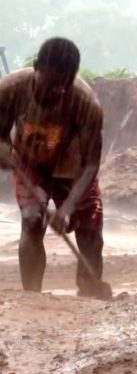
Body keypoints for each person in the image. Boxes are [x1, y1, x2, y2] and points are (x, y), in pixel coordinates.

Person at [0, 37, 111, 299]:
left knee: (90, 231)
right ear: (36, 67)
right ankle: (32, 297)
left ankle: (90, 294)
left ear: (70, 81)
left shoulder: (87, 106)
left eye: (60, 88)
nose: (52, 94)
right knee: (31, 220)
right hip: (28, 162)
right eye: (47, 84)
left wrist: (67, 208)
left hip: (73, 169)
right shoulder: (11, 89)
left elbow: (91, 163)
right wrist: (3, 148)